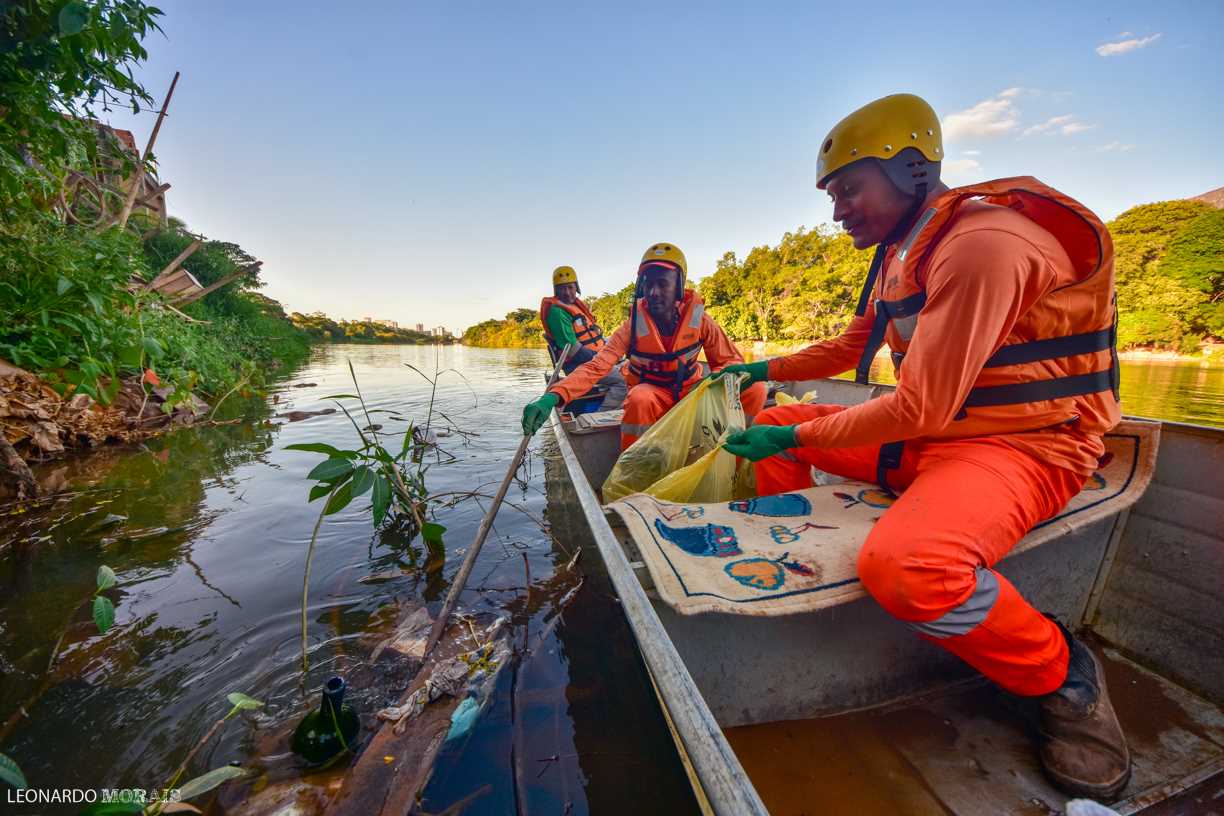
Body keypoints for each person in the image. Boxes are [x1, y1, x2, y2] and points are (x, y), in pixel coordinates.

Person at [719, 94, 1129, 800]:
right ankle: (797, 581)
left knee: (907, 566)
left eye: (849, 187)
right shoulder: (899, 252)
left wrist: (797, 433)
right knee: (775, 431)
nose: (838, 209)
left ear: (912, 168)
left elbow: (918, 404)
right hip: (937, 439)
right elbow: (855, 345)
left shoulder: (983, 245)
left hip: (1025, 447)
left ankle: (1063, 675)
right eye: (831, 195)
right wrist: (762, 371)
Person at [523, 243, 767, 449]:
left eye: (663, 284)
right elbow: (596, 366)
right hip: (654, 395)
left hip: (692, 392)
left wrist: (724, 386)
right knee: (640, 397)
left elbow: (729, 363)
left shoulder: (700, 320)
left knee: (753, 388)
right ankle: (638, 462)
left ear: (679, 286)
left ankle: (737, 450)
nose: (654, 292)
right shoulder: (632, 327)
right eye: (648, 284)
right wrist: (553, 396)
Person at [539, 265, 627, 410]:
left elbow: (596, 338)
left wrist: (613, 354)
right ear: (556, 290)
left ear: (576, 287)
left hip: (595, 359)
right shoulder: (557, 313)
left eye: (570, 287)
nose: (567, 293)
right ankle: (603, 416)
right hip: (579, 365)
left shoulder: (576, 306)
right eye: (562, 288)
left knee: (634, 369)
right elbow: (574, 351)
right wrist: (605, 360)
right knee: (622, 381)